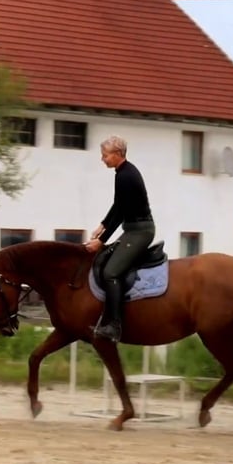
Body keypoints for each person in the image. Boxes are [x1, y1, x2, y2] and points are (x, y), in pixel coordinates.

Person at [84, 135, 156, 343]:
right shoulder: (122, 173)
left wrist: (102, 239)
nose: (102, 159)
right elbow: (118, 205)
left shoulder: (126, 176)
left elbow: (123, 210)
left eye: (105, 155)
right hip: (132, 229)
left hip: (141, 231)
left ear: (117, 154)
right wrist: (103, 224)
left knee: (111, 272)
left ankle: (114, 326)